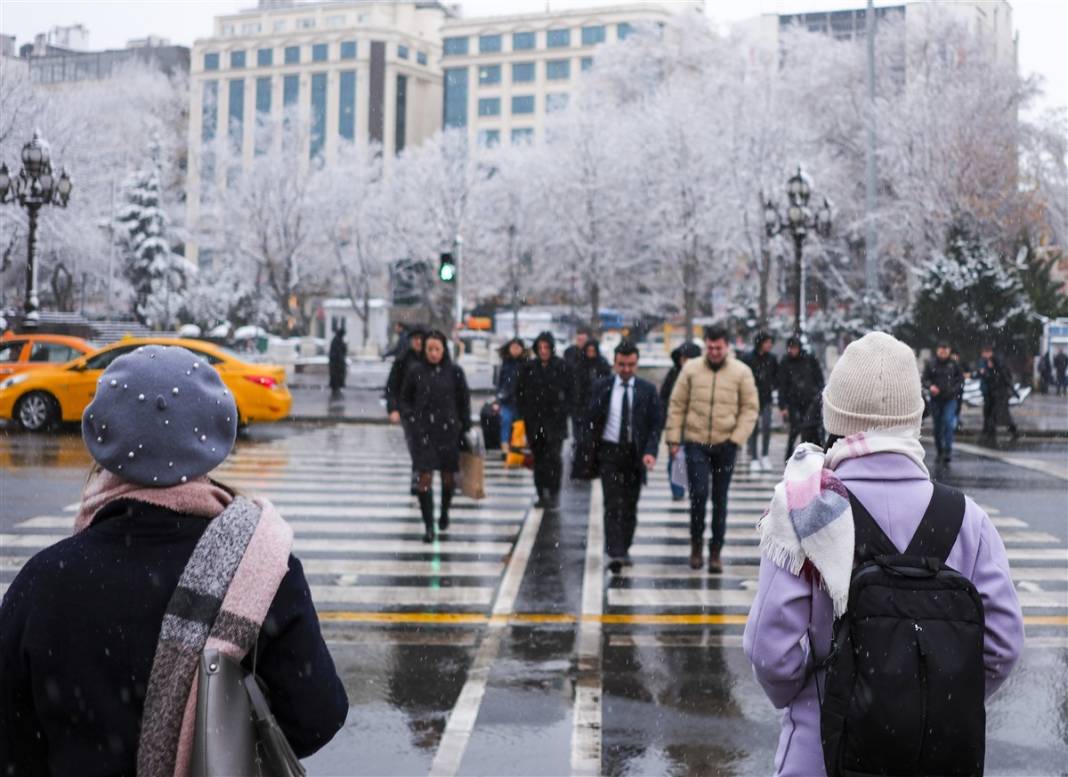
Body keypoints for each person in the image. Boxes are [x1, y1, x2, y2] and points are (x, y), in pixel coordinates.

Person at [0, 345, 348, 776]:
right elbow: (317, 718)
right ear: (214, 441)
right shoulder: (259, 569)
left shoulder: (45, 582)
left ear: (102, 439)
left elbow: (12, 747)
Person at [743, 331, 1023, 777]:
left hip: (822, 753)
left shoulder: (805, 509)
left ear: (835, 415)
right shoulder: (967, 518)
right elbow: (1004, 646)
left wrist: (813, 698)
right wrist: (929, 698)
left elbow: (769, 651)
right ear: (914, 418)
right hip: (934, 758)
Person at [664, 325, 759, 573]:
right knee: (698, 495)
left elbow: (750, 408)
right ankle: (696, 545)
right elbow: (677, 405)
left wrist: (737, 438)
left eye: (718, 347)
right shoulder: (691, 369)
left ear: (727, 346)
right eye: (710, 347)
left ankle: (715, 551)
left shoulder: (741, 372)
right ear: (705, 345)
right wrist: (673, 439)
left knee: (720, 499)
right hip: (696, 442)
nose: (714, 352)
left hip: (726, 444)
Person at [583, 341, 662, 573]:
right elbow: (590, 419)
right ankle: (614, 551)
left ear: (636, 364)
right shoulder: (602, 386)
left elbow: (655, 426)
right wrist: (589, 451)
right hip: (609, 452)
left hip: (634, 453)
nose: (626, 369)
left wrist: (650, 452)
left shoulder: (647, 390)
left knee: (630, 504)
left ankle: (624, 546)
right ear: (615, 363)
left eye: (630, 365)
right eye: (621, 364)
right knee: (612, 503)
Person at [400, 330, 472, 543]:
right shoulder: (416, 371)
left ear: (444, 350)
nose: (433, 353)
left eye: (437, 349)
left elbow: (464, 401)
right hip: (423, 433)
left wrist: (464, 425)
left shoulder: (455, 372)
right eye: (429, 349)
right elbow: (405, 398)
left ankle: (444, 512)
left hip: (449, 432)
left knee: (448, 478)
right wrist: (410, 418)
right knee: (424, 479)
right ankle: (429, 526)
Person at [517, 331, 573, 510]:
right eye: (540, 347)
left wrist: (564, 407)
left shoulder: (562, 366)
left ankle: (554, 491)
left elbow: (572, 390)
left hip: (555, 421)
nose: (543, 351)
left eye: (546, 347)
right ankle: (541, 492)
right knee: (539, 458)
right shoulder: (529, 368)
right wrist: (524, 412)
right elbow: (519, 392)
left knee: (554, 457)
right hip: (534, 421)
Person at [659, 342, 702, 501]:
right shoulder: (674, 374)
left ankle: (695, 489)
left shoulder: (702, 376)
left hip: (697, 427)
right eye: (683, 358)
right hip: (677, 424)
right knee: (675, 458)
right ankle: (677, 490)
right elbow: (664, 398)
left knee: (696, 460)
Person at [386, 326, 425, 494]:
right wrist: (393, 408)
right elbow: (392, 386)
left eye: (420, 338)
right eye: (415, 339)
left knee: (426, 448)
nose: (418, 342)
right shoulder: (403, 359)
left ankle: (423, 478)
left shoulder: (431, 358)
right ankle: (417, 479)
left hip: (429, 411)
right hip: (409, 410)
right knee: (416, 446)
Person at [777, 336, 825, 458]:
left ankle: (817, 454)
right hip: (794, 402)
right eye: (790, 348)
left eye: (794, 348)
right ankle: (790, 456)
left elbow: (819, 379)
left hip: (811, 401)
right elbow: (782, 385)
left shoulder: (809, 359)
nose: (792, 351)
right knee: (796, 429)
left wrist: (820, 395)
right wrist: (783, 405)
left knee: (814, 429)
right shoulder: (785, 362)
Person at [922, 341, 965, 465]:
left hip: (950, 399)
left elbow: (960, 381)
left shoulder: (954, 364)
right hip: (936, 399)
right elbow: (925, 379)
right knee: (937, 426)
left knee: (948, 422)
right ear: (937, 350)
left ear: (949, 351)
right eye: (941, 349)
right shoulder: (931, 363)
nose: (943, 352)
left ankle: (947, 451)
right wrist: (931, 387)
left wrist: (953, 390)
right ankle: (940, 450)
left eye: (946, 350)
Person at [742, 331, 778, 473]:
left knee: (767, 427)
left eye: (771, 343)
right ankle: (754, 458)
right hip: (751, 398)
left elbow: (776, 376)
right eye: (767, 342)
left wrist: (771, 385)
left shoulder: (772, 358)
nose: (769, 345)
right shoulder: (748, 358)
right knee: (753, 429)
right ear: (760, 343)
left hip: (766, 398)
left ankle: (764, 455)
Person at [572, 339, 611, 449]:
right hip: (581, 403)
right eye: (588, 350)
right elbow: (576, 384)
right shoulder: (580, 364)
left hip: (598, 402)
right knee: (580, 433)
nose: (591, 353)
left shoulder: (602, 364)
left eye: (593, 351)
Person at [976, 345, 1019, 446]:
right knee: (991, 415)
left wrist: (1013, 392)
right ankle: (988, 435)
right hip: (992, 396)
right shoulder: (990, 368)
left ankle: (990, 436)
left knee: (995, 417)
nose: (989, 364)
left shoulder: (998, 369)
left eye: (990, 363)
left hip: (999, 397)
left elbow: (1005, 381)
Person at [493, 337, 526, 457]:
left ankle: (516, 448)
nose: (515, 350)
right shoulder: (505, 364)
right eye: (513, 347)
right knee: (506, 421)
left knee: (519, 424)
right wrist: (498, 399)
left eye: (518, 347)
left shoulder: (526, 364)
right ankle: (505, 448)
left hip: (521, 401)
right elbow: (499, 384)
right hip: (506, 400)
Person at [563, 326, 592, 439]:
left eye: (583, 340)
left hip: (588, 396)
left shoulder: (590, 353)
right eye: (579, 340)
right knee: (576, 428)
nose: (581, 343)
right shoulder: (570, 352)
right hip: (574, 396)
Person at [329, 325, 347, 398]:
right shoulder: (337, 340)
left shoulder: (337, 339)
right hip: (336, 362)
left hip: (336, 362)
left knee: (336, 375)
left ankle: (336, 387)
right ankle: (336, 387)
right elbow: (339, 352)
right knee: (336, 375)